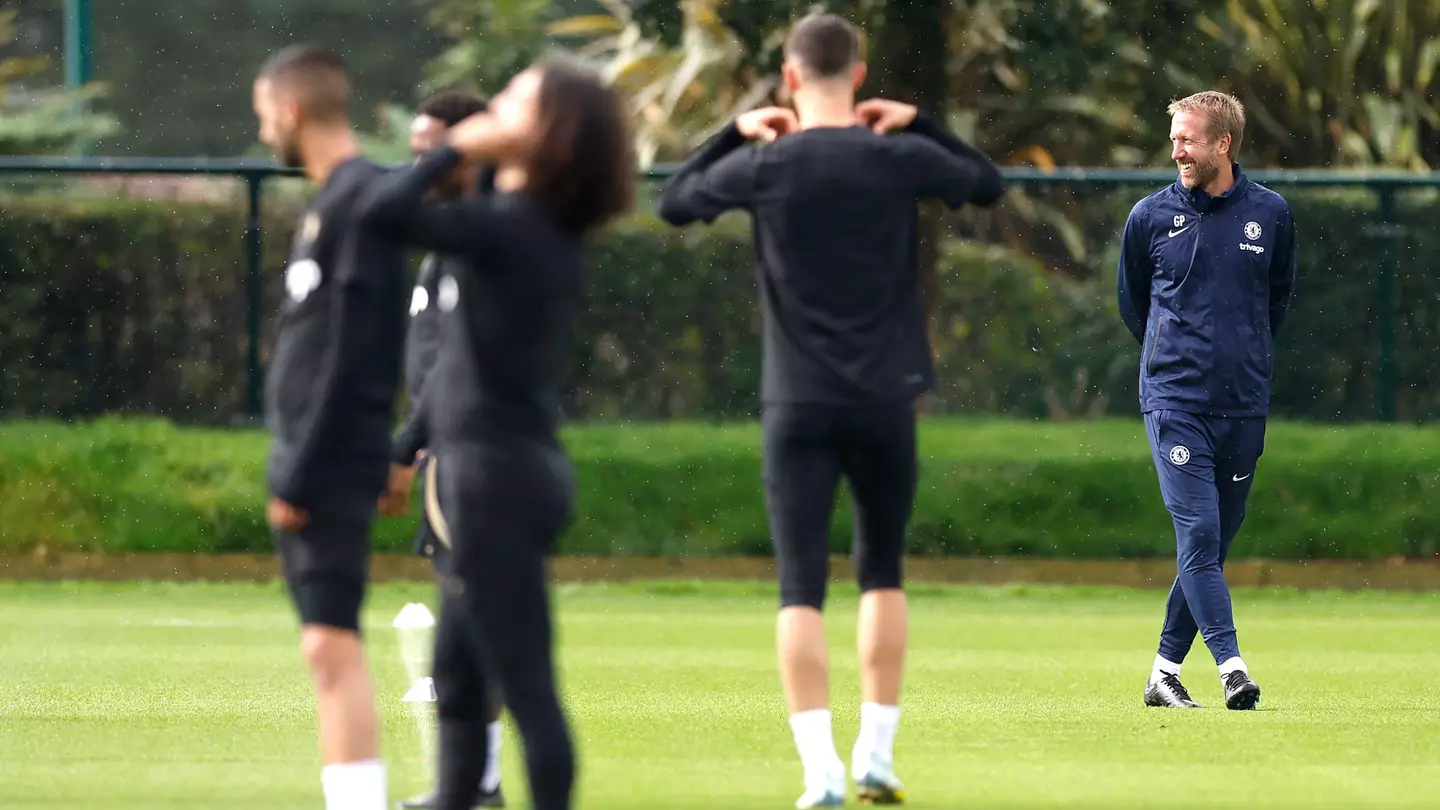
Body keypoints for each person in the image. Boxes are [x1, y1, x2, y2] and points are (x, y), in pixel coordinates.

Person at [655, 12, 1004, 808]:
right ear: (858, 74)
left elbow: (674, 203)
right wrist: (924, 123)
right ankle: (876, 755)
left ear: (788, 77)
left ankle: (820, 775)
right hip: (886, 398)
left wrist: (732, 135)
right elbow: (985, 183)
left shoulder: (767, 165)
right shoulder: (896, 156)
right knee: (881, 571)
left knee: (799, 586)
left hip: (797, 401)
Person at [357, 58, 635, 810]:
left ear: (550, 133)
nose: (497, 107)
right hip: (496, 471)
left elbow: (380, 212)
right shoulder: (522, 222)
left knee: (528, 691)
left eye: (516, 100)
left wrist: (457, 149)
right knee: (457, 679)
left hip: (499, 481)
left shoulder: (516, 227)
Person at [252, 44, 409, 810]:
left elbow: (354, 352)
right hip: (325, 455)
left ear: (289, 110)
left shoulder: (359, 203)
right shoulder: (332, 203)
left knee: (330, 643)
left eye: (260, 117)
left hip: (330, 461)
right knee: (325, 644)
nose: (261, 136)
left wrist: (302, 467)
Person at [1116, 90, 1297, 711]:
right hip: (1175, 401)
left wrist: (1239, 356)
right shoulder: (1149, 217)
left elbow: (1275, 300)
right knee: (1198, 530)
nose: (1177, 151)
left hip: (1244, 403)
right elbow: (1133, 305)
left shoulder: (1271, 215)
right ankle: (1231, 667)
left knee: (1213, 544)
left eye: (1188, 139)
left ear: (1223, 144)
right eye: (1174, 138)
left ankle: (1163, 674)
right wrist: (1177, 360)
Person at [378, 88, 508, 810]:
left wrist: (410, 442)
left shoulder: (482, 237)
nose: (417, 157)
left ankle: (478, 784)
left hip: (470, 450)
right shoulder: (447, 239)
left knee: (478, 621)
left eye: (431, 144)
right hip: (445, 449)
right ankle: (475, 784)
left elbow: (457, 366)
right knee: (469, 615)